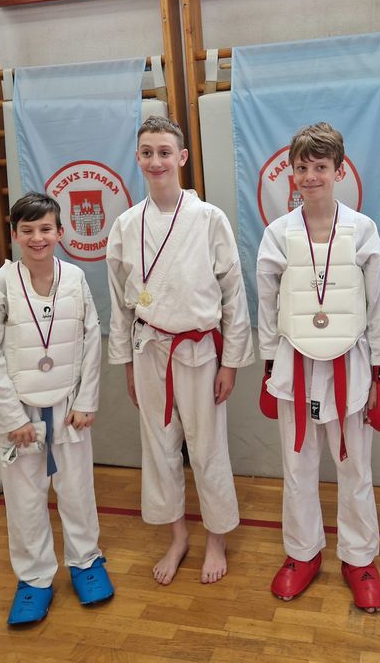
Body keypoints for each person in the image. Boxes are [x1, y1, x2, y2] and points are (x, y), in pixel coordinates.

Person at [255, 122, 380, 613]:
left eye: (320, 167)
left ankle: (359, 559)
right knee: (297, 466)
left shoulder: (362, 229)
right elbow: (267, 306)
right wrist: (268, 367)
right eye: (302, 168)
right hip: (294, 363)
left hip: (350, 364)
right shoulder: (278, 234)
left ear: (339, 171)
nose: (310, 176)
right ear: (291, 174)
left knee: (354, 465)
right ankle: (302, 553)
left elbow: (379, 305)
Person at [106, 116, 253, 586]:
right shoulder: (126, 225)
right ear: (137, 158)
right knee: (159, 447)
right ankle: (178, 536)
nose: (156, 161)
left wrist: (231, 362)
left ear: (182, 158)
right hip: (149, 349)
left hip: (199, 351)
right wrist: (126, 365)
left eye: (165, 152)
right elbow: (119, 303)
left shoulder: (209, 219)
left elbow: (233, 295)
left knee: (207, 447)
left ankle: (216, 538)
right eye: (147, 152)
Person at [0, 192, 114, 625]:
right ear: (15, 234)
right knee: (24, 499)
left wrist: (87, 400)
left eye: (45, 229)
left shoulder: (74, 277)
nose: (37, 237)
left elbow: (91, 340)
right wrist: (11, 417)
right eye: (28, 230)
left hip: (69, 407)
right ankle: (34, 579)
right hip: (22, 412)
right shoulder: (1, 284)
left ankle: (86, 561)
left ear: (60, 232)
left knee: (77, 490)